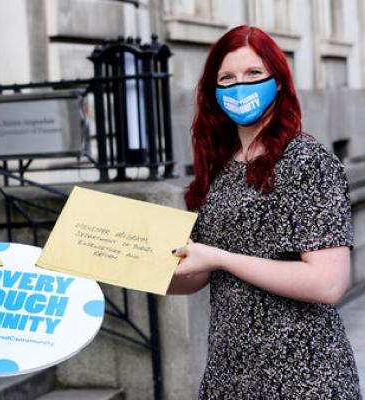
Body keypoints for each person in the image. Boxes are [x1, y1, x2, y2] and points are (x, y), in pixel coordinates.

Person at [168, 25, 361, 399]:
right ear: (213, 90)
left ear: (279, 81)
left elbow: (328, 283)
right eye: (227, 77)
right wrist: (135, 264)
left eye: (253, 74)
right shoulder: (220, 167)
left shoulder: (307, 161)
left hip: (303, 374)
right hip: (230, 372)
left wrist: (221, 258)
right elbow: (198, 274)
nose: (239, 86)